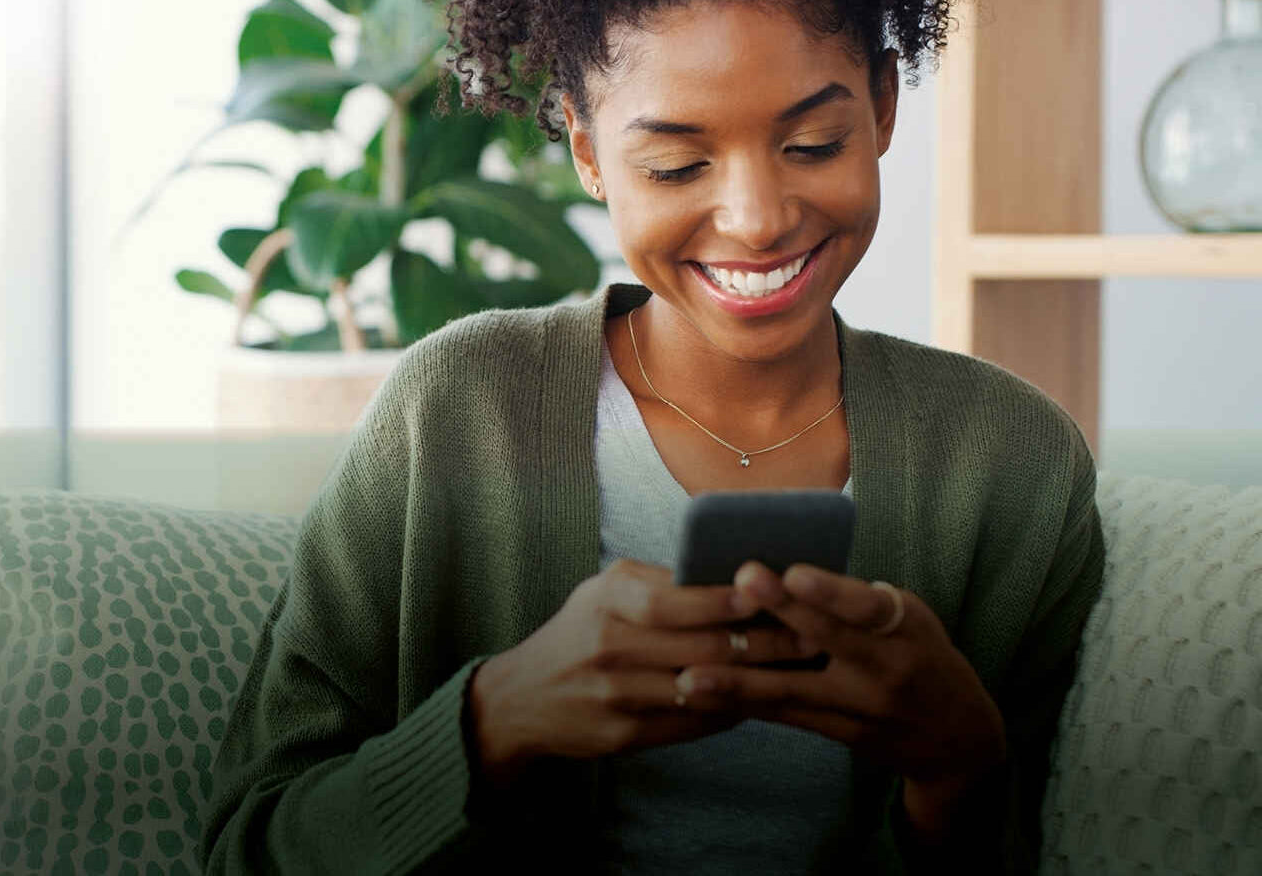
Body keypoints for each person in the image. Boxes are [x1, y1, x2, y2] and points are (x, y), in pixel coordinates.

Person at [201, 0, 1106, 873]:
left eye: (811, 145)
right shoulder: (456, 411)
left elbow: (1060, 844)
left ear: (880, 106)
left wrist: (956, 766)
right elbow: (255, 845)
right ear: (590, 153)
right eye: (675, 165)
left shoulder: (1014, 463)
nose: (757, 219)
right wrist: (494, 720)